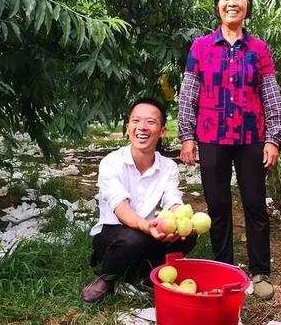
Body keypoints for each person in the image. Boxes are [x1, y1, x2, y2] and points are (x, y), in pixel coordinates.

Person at [178, 0, 281, 300]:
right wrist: (187, 135)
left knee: (255, 204)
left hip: (251, 136)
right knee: (218, 205)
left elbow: (270, 96)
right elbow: (188, 95)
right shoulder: (200, 47)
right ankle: (223, 268)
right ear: (217, 5)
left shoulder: (258, 49)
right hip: (211, 136)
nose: (232, 3)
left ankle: (260, 270)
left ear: (248, 5)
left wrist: (273, 137)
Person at [81, 98, 197, 303]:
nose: (141, 127)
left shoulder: (168, 166)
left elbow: (172, 199)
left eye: (150, 122)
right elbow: (120, 208)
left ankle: (143, 273)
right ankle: (106, 276)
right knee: (133, 239)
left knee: (187, 236)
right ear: (128, 128)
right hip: (115, 234)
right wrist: (145, 226)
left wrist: (183, 221)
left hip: (149, 231)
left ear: (162, 131)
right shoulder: (111, 163)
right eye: (136, 121)